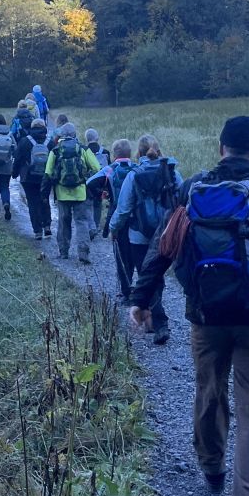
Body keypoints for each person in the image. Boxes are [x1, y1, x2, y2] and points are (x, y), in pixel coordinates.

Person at [129, 115, 249, 496]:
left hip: (205, 317)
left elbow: (162, 245)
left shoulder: (192, 191)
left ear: (220, 147)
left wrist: (141, 299)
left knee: (209, 390)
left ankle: (212, 467)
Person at [109, 135, 183, 344]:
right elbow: (183, 200)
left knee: (147, 276)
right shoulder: (172, 172)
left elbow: (123, 209)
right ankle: (154, 321)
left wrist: (113, 229)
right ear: (159, 152)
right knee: (156, 277)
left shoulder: (134, 175)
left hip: (139, 236)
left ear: (138, 154)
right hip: (167, 233)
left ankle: (160, 323)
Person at [43, 120, 100, 262]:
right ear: (75, 134)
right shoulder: (82, 149)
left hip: (62, 193)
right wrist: (85, 178)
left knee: (63, 222)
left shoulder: (55, 150)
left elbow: (48, 172)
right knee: (81, 222)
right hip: (80, 192)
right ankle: (83, 253)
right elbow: (97, 168)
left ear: (61, 134)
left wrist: (47, 191)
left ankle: (63, 252)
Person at [89, 139, 136, 299]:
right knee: (136, 253)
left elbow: (89, 183)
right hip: (137, 219)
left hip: (117, 217)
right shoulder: (137, 168)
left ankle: (125, 290)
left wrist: (103, 193)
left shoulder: (109, 170)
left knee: (121, 255)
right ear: (130, 153)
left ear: (114, 154)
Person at [15, 116, 53, 239]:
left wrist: (14, 173)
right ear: (44, 128)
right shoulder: (50, 142)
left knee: (32, 203)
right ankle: (47, 226)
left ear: (32, 128)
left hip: (28, 177)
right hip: (45, 177)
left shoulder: (24, 141)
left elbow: (18, 159)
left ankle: (37, 231)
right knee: (44, 199)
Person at [83, 128, 110, 235]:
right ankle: (97, 225)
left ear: (86, 139)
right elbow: (109, 169)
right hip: (101, 183)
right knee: (98, 204)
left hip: (88, 182)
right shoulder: (105, 152)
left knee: (88, 204)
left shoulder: (84, 150)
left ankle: (90, 226)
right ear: (97, 138)